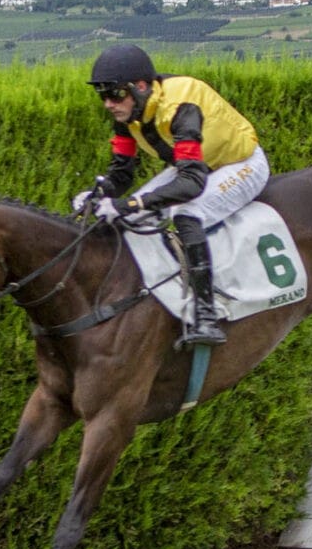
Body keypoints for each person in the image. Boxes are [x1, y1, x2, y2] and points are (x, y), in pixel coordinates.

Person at [75, 44, 269, 345]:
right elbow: (121, 174)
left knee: (188, 214)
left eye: (114, 94)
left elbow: (191, 184)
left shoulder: (181, 107)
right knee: (131, 214)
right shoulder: (129, 115)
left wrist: (129, 203)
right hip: (196, 165)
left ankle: (207, 315)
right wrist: (97, 194)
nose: (109, 104)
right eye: (103, 96)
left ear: (140, 87)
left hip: (240, 164)